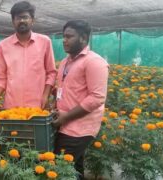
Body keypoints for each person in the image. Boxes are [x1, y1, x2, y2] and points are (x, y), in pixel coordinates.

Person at [51, 20, 109, 180]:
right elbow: (67, 90)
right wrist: (56, 105)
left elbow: (97, 98)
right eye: (63, 36)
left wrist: (66, 116)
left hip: (80, 128)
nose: (64, 40)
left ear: (83, 38)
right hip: (65, 123)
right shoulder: (65, 62)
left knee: (58, 167)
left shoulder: (95, 62)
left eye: (69, 36)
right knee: (74, 169)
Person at [0, 1, 57, 111]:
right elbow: (1, 79)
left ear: (32, 20)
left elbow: (51, 73)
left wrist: (45, 96)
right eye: (18, 18)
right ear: (13, 21)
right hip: (12, 108)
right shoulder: (3, 46)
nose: (22, 20)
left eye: (25, 17)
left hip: (37, 107)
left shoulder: (45, 42)